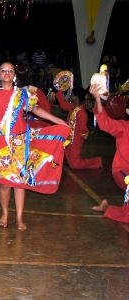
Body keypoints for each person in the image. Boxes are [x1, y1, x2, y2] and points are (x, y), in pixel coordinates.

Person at [0, 62, 70, 230]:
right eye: (3, 71)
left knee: (19, 182)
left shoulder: (23, 94)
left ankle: (19, 217)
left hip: (20, 143)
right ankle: (5, 213)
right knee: (4, 183)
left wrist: (57, 120)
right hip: (0, 143)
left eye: (10, 71)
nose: (7, 73)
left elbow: (36, 110)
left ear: (15, 75)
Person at [89, 84, 129, 223]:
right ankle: (111, 210)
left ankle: (107, 207)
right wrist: (98, 99)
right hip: (122, 171)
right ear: (128, 111)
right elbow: (104, 123)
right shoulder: (123, 127)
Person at [55, 87, 102, 169]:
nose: (70, 96)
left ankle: (97, 162)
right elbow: (63, 105)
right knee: (64, 155)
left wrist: (83, 134)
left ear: (76, 97)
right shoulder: (72, 107)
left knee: (75, 165)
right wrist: (59, 92)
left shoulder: (81, 113)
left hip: (75, 140)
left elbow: (83, 129)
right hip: (68, 138)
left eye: (72, 94)